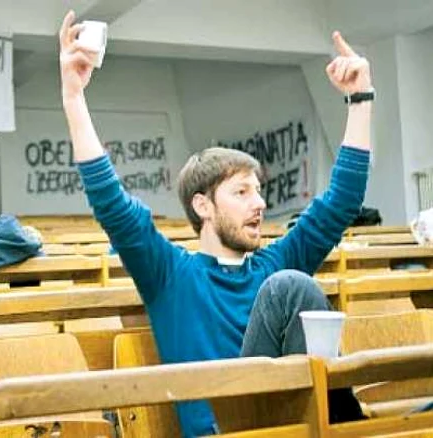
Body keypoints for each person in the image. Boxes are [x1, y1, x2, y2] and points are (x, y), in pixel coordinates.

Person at [59, 11, 372, 436]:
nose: (259, 203)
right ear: (203, 206)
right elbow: (112, 205)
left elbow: (341, 204)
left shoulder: (276, 260)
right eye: (242, 192)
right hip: (223, 432)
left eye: (258, 191)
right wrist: (74, 97)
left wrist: (361, 99)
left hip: (292, 427)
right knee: (291, 286)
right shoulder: (170, 275)